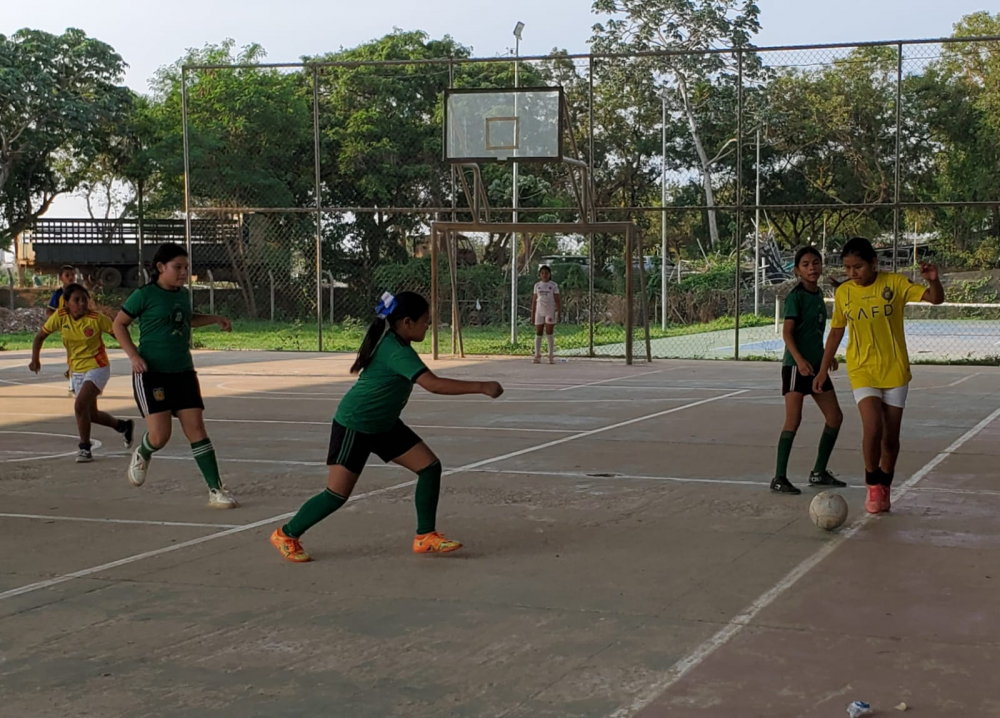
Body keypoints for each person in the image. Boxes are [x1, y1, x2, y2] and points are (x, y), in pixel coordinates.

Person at [270, 290, 504, 563]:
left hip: (383, 424)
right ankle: (286, 534)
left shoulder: (397, 343)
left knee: (429, 467)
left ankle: (425, 536)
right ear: (407, 322)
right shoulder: (394, 349)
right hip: (355, 425)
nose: (428, 326)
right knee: (336, 495)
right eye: (425, 321)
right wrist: (482, 387)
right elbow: (433, 384)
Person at [814, 237, 944, 514]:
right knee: (872, 428)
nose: (852, 274)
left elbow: (935, 299)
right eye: (848, 268)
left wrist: (933, 280)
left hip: (894, 369)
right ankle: (872, 481)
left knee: (890, 437)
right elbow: (836, 331)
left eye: (858, 267)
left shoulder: (894, 284)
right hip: (862, 369)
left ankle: (885, 481)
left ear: (873, 262)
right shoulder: (844, 293)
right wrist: (823, 368)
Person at [112, 242, 239, 509]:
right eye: (178, 267)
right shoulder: (144, 295)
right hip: (152, 374)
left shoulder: (182, 295)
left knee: (197, 429)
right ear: (161, 267)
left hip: (182, 371)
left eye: (186, 267)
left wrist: (215, 318)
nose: (183, 273)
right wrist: (134, 356)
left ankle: (215, 489)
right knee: (160, 436)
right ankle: (143, 451)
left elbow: (187, 318)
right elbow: (119, 323)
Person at [29, 283, 134, 462]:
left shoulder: (96, 318)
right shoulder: (60, 317)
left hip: (97, 366)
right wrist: (35, 359)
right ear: (67, 303)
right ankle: (122, 426)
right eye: (76, 300)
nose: (82, 304)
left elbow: (119, 333)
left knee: (79, 406)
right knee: (90, 414)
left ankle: (85, 448)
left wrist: (135, 354)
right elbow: (40, 337)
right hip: (76, 369)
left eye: (84, 300)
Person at [771, 247, 845, 495]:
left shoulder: (818, 296)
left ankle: (818, 472)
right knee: (794, 419)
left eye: (816, 263)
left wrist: (826, 357)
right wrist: (800, 360)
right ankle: (779, 477)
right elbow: (788, 333)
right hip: (796, 367)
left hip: (817, 367)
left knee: (834, 417)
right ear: (797, 270)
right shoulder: (796, 297)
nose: (812, 267)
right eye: (805, 264)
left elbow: (815, 332)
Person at [46, 265, 78, 394]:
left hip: (81, 325)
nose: (71, 277)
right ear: (61, 278)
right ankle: (72, 383)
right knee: (73, 354)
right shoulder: (59, 294)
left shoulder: (80, 292)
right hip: (67, 327)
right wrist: (58, 320)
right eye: (67, 275)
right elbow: (49, 311)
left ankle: (73, 373)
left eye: (72, 275)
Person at [531, 265, 561, 364]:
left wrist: (559, 312)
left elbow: (557, 300)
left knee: (549, 332)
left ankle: (551, 355)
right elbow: (534, 300)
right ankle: (537, 354)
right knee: (538, 332)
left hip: (550, 310)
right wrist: (533, 313)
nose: (544, 275)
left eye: (546, 273)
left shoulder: (553, 285)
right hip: (539, 311)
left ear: (550, 274)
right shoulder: (537, 285)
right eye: (542, 273)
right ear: (540, 275)